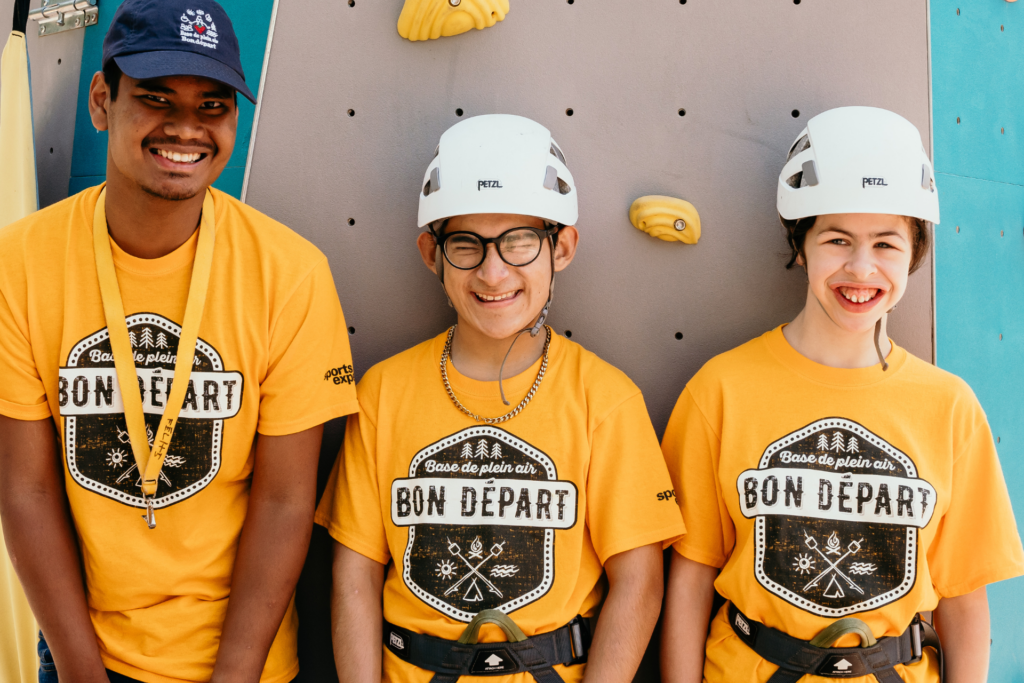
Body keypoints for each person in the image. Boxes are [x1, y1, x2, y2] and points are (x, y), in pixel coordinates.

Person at [0, 1, 359, 681]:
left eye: (212, 106)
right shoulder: (19, 263)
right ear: (102, 101)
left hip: (243, 660)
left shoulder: (290, 273)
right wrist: (80, 670)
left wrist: (234, 675)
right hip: (84, 652)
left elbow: (285, 500)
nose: (185, 128)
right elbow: (25, 489)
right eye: (156, 98)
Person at [315, 114, 685, 683]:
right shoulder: (384, 393)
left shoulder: (604, 398)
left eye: (518, 242)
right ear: (429, 252)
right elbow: (355, 574)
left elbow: (639, 579)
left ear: (561, 247)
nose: (493, 272)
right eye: (466, 244)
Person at [658, 106, 1024, 683]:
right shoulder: (721, 389)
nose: (861, 268)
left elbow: (962, 597)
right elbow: (691, 575)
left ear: (915, 255)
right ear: (800, 244)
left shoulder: (949, 407)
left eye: (886, 244)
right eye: (836, 239)